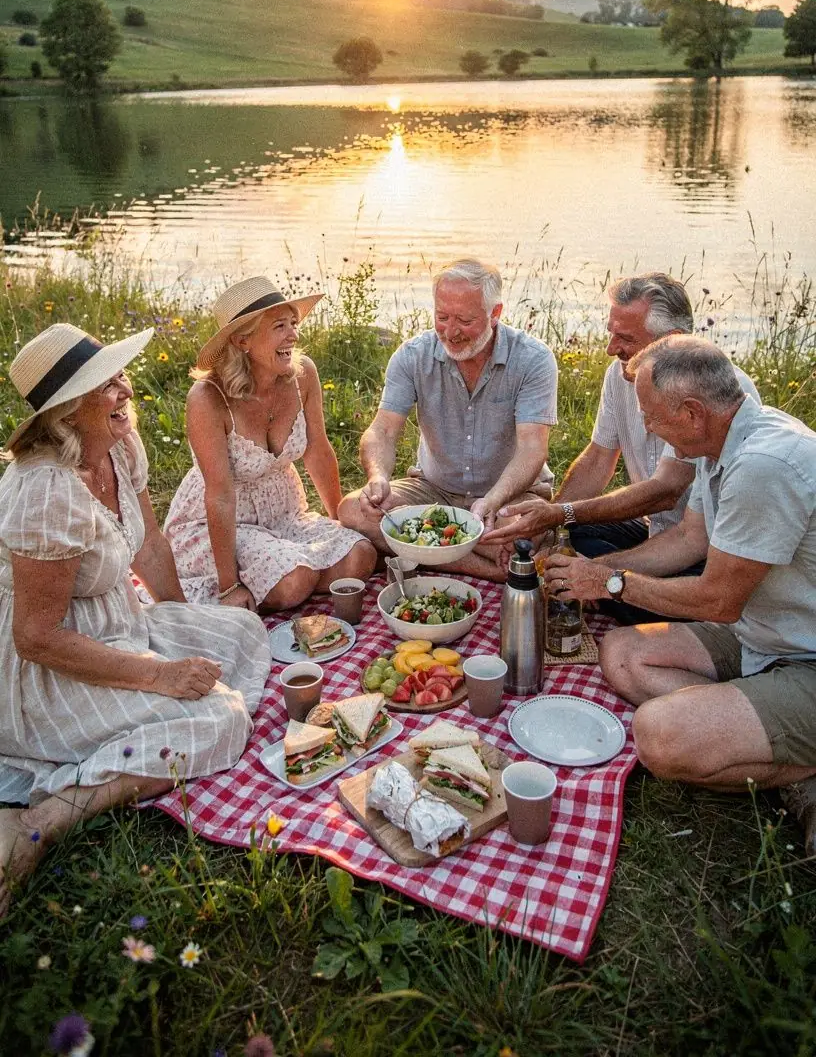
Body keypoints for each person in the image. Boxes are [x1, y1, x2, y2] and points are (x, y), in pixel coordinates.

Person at [0, 322, 272, 915]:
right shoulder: (45, 490)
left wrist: (181, 620)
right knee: (221, 717)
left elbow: (149, 546)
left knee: (245, 629)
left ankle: (151, 719)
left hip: (120, 622)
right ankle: (42, 817)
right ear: (70, 411)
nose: (125, 390)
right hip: (52, 669)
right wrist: (159, 677)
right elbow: (35, 637)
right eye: (107, 384)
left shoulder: (119, 447)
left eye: (120, 374)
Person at [543, 335, 816, 852]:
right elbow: (688, 540)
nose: (647, 427)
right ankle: (760, 731)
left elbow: (718, 601)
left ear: (692, 413)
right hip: (765, 635)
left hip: (806, 656)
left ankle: (792, 764)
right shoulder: (723, 440)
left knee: (659, 735)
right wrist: (591, 569)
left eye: (652, 417)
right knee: (621, 653)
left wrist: (609, 583)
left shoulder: (764, 465)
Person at [480, 273, 759, 618]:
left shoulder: (712, 391)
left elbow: (666, 490)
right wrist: (550, 528)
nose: (611, 348)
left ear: (671, 341)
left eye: (625, 338)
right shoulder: (621, 373)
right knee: (571, 541)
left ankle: (609, 594)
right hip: (659, 531)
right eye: (611, 333)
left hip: (705, 550)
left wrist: (580, 545)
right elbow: (598, 460)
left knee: (623, 593)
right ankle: (594, 586)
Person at [337, 258, 558, 580]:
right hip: (433, 490)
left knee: (518, 534)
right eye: (442, 317)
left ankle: (420, 549)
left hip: (508, 495)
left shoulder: (533, 359)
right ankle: (497, 569)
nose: (450, 332)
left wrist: (493, 501)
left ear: (495, 314)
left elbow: (532, 449)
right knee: (352, 509)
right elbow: (382, 430)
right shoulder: (412, 355)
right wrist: (378, 475)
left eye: (465, 321)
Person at [165, 276, 376, 609]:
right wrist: (228, 585)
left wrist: (338, 520)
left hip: (285, 510)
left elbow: (317, 450)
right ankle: (265, 586)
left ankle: (288, 576)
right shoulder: (207, 398)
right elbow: (219, 495)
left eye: (293, 323)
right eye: (280, 326)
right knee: (295, 579)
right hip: (220, 523)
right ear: (243, 340)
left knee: (360, 556)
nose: (294, 334)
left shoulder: (303, 374)